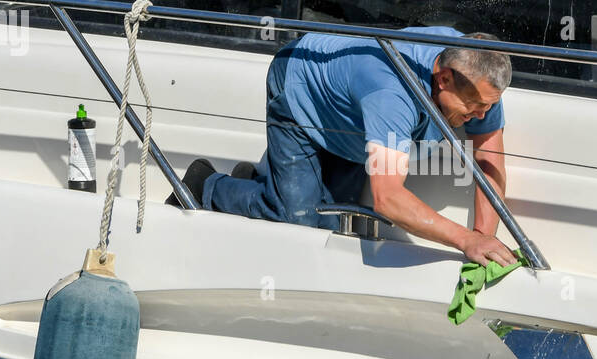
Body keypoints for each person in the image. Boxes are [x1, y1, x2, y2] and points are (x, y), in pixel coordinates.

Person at [170, 26, 516, 266]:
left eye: (488, 106)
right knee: (297, 225)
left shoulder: (477, 74)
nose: (483, 115)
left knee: (332, 226)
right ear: (444, 79)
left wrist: (484, 240)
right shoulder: (391, 94)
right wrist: (466, 241)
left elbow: (487, 158)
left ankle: (263, 184)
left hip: (352, 119)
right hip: (301, 90)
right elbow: (389, 198)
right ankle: (208, 186)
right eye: (475, 107)